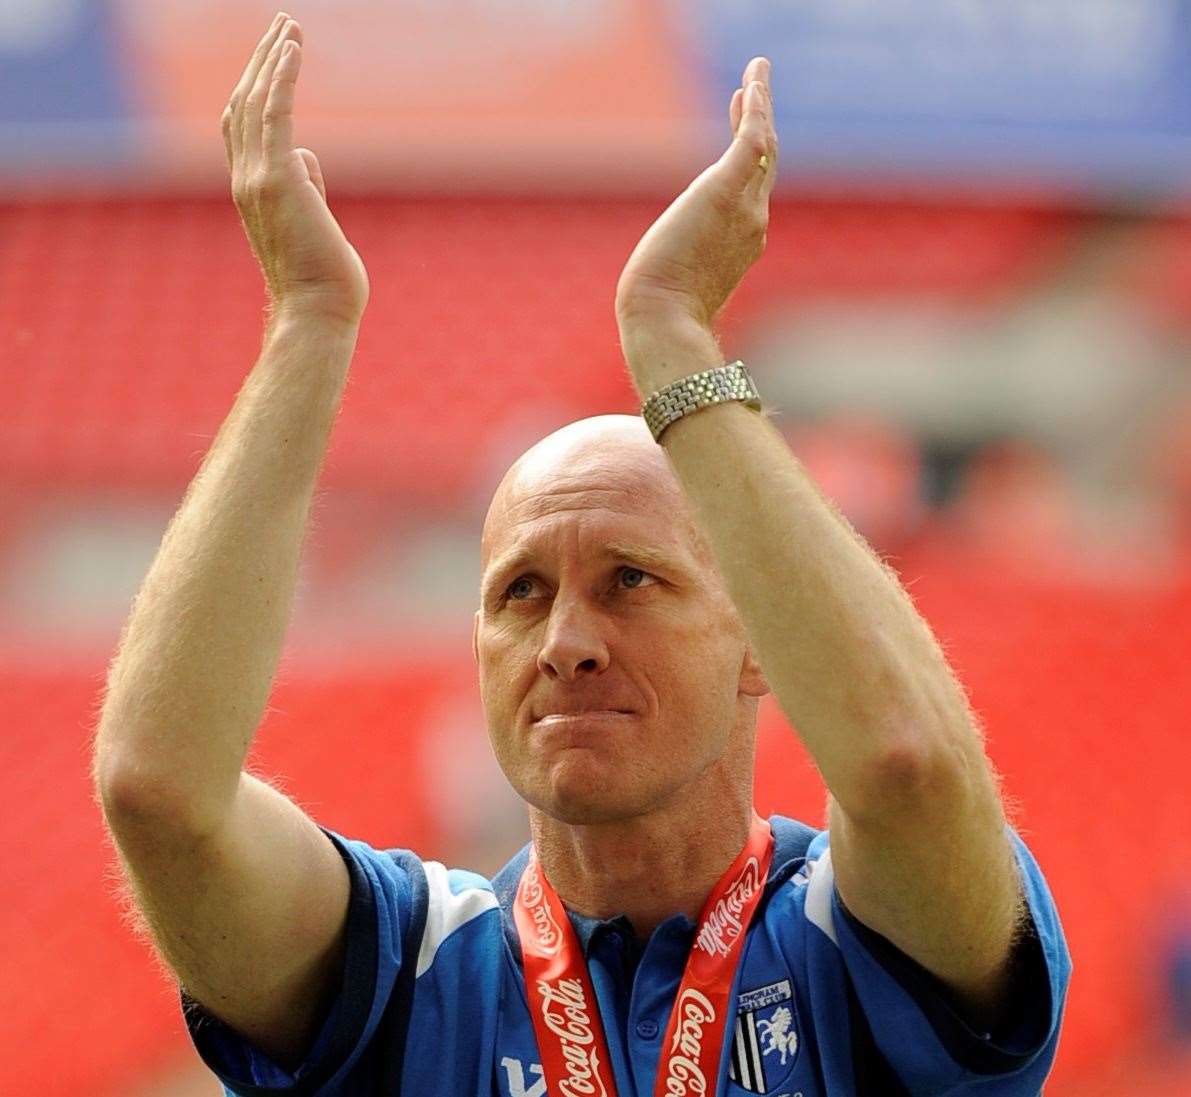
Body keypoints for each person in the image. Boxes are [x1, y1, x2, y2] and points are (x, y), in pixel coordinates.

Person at [93, 12, 1072, 1096]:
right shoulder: (412, 966)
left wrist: (672, 338)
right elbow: (160, 793)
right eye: (519, 592)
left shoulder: (851, 932)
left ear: (762, 644)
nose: (565, 641)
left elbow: (903, 760)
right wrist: (306, 325)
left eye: (630, 581)